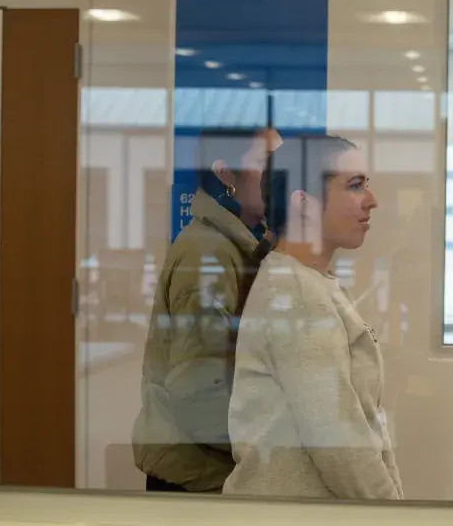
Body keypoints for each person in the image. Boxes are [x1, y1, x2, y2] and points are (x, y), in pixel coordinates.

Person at [223, 135, 403, 500]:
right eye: (355, 186)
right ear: (302, 203)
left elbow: (360, 427)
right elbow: (341, 447)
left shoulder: (310, 283)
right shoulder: (295, 293)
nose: (372, 201)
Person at [132, 127, 281, 493]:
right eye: (267, 164)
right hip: (195, 478)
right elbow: (198, 391)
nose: (280, 177)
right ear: (225, 174)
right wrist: (269, 453)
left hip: (215, 469)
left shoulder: (246, 246)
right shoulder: (207, 254)